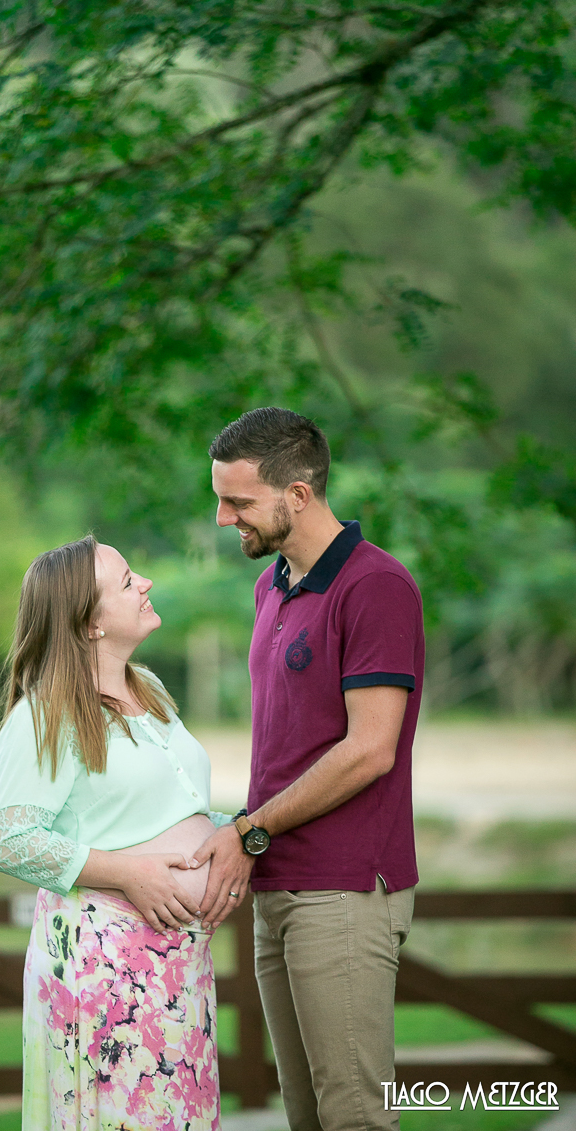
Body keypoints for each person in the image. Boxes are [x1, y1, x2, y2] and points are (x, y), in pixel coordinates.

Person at [192, 407, 424, 1131]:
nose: (225, 519)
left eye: (238, 502)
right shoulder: (271, 589)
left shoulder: (375, 586)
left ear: (298, 494)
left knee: (355, 1117)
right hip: (278, 883)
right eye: (219, 499)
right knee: (307, 1117)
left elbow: (369, 749)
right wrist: (253, 843)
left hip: (346, 891)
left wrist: (250, 827)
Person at [0, 534, 232, 1131]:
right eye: (126, 582)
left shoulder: (150, 690)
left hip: (178, 965)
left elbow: (174, 810)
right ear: (89, 623)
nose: (144, 583)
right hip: (105, 973)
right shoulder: (46, 712)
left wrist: (235, 837)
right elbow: (9, 838)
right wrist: (127, 872)